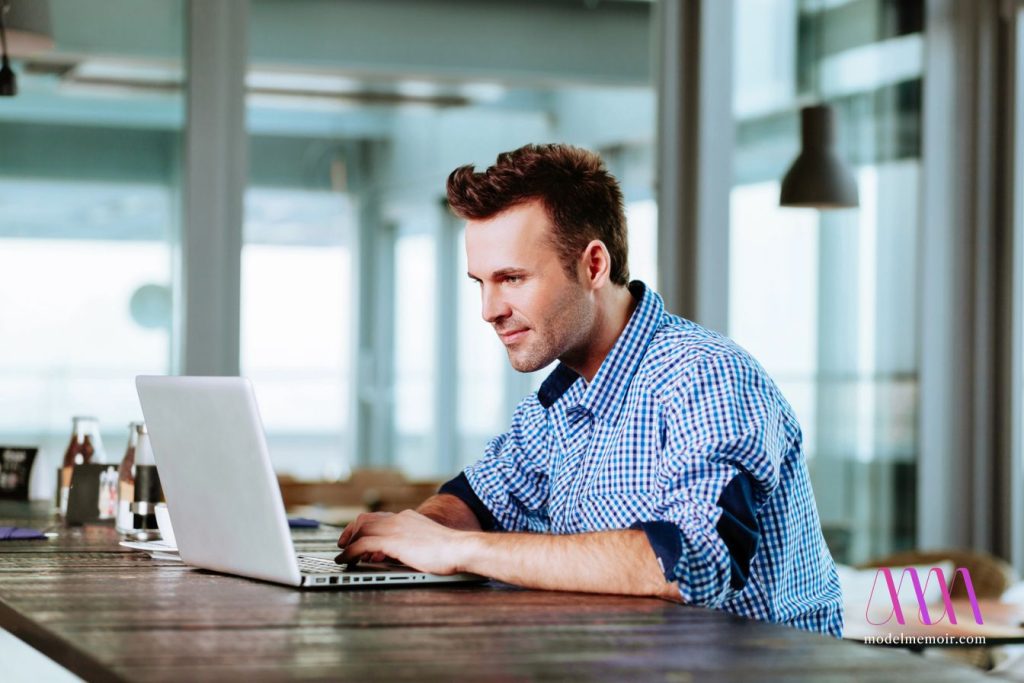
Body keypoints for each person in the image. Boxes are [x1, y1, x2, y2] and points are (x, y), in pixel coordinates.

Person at [337, 143, 843, 637]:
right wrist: (411, 538)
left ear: (593, 266)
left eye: (512, 278)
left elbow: (693, 562)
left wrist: (460, 550)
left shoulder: (706, 375)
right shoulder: (558, 401)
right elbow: (475, 499)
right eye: (481, 283)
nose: (489, 310)